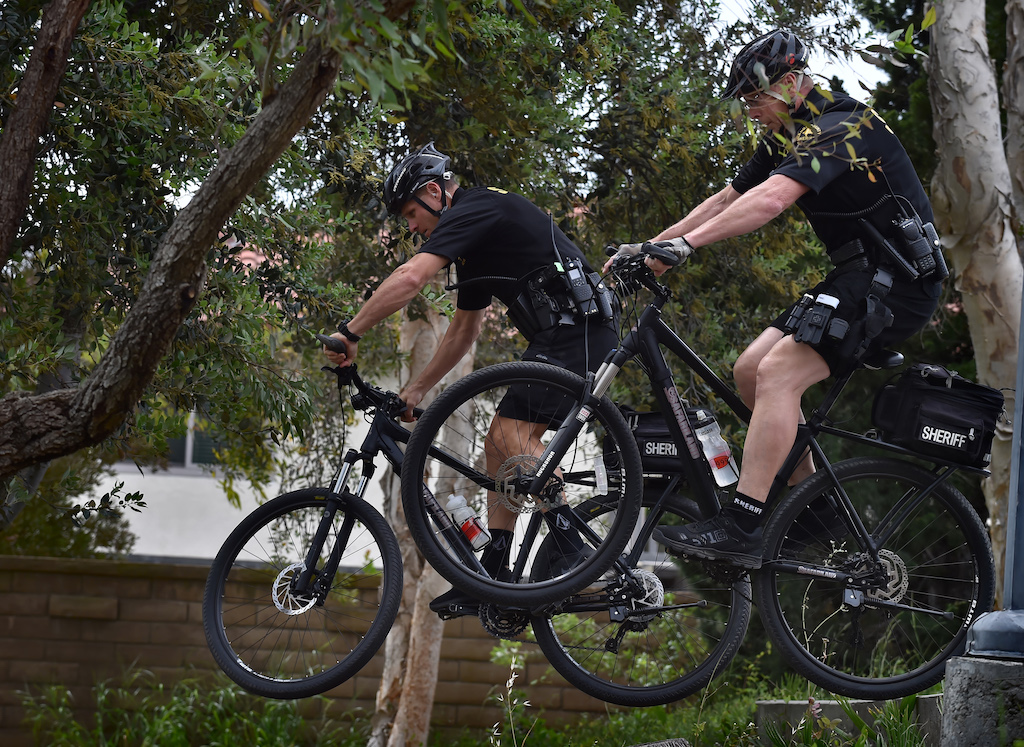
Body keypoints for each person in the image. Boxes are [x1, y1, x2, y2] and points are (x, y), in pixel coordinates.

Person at [609, 29, 946, 568]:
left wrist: (687, 246)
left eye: (754, 99)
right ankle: (814, 512)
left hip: (898, 285)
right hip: (858, 277)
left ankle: (743, 524)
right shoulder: (787, 135)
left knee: (778, 375)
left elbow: (771, 200)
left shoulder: (843, 126)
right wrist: (650, 248)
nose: (751, 112)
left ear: (790, 84)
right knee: (749, 372)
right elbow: (730, 197)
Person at [324, 142, 618, 613]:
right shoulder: (477, 239)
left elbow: (410, 277)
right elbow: (465, 329)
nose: (412, 228)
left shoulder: (478, 207)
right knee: (498, 448)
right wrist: (416, 390)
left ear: (436, 192)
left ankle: (572, 547)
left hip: (578, 331)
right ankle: (495, 575)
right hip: (563, 334)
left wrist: (349, 331)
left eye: (411, 214)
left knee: (511, 435)